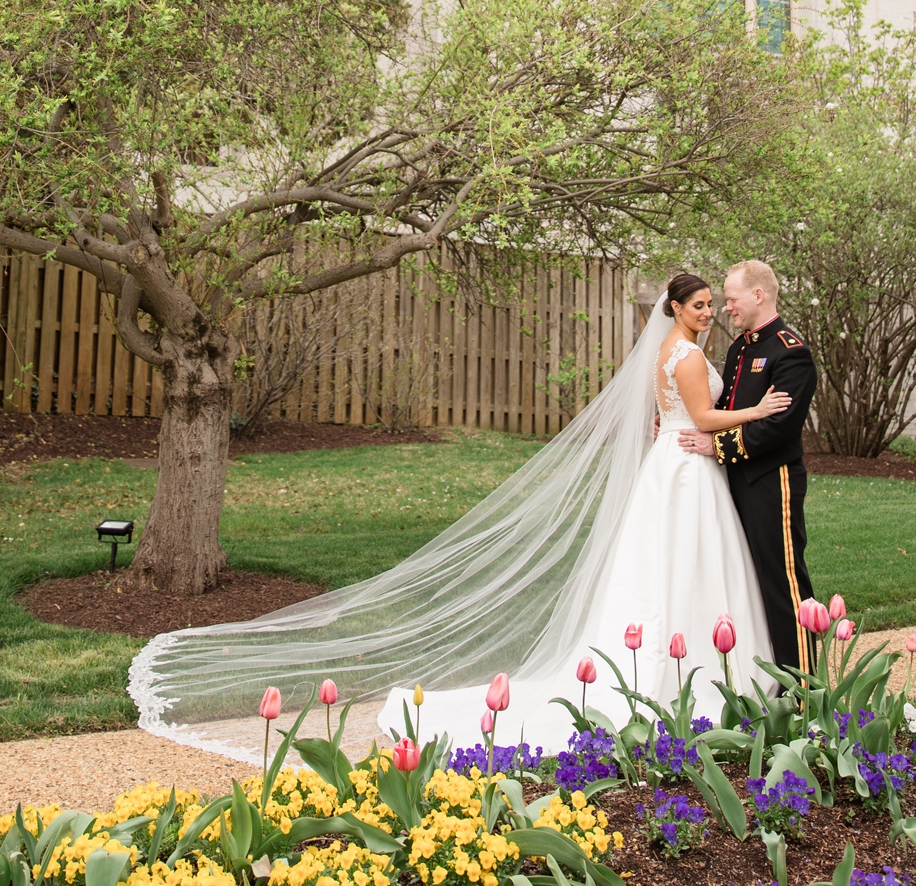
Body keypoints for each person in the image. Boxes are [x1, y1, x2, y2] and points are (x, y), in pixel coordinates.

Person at [129, 272, 791, 758]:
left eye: (715, 304)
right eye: (702, 304)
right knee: (688, 570)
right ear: (676, 308)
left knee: (664, 572)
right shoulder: (688, 354)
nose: (711, 312)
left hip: (667, 471)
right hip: (687, 469)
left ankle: (665, 672)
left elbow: (662, 417)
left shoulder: (661, 353)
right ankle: (694, 678)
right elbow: (700, 418)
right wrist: (756, 413)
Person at [679, 259, 818, 672]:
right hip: (735, 480)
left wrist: (716, 447)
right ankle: (764, 677)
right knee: (743, 579)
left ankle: (803, 690)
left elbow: (778, 428)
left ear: (758, 295)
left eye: (732, 298)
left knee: (781, 581)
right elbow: (730, 407)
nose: (726, 308)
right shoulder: (743, 347)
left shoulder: (791, 353)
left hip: (771, 483)